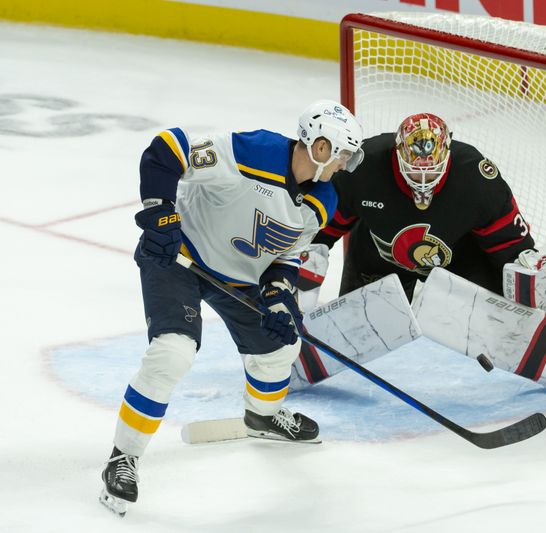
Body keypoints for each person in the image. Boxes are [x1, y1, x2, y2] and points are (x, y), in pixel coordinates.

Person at [99, 100, 364, 516]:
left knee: (280, 348)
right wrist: (160, 214)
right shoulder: (253, 152)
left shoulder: (323, 199)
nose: (344, 164)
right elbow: (167, 149)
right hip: (178, 256)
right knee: (173, 351)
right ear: (320, 146)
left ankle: (264, 416)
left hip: (238, 278)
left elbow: (286, 255)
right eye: (342, 154)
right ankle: (123, 457)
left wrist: (278, 296)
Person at [292, 112, 546, 393]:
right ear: (396, 154)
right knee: (354, 327)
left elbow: (511, 248)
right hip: (376, 257)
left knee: (498, 297)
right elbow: (321, 229)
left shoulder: (477, 178)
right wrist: (300, 263)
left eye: (431, 172)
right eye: (413, 171)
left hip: (460, 262)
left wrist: (539, 271)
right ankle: (284, 359)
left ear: (448, 156)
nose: (422, 182)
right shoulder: (363, 165)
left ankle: (540, 344)